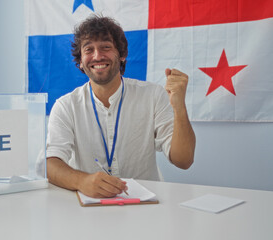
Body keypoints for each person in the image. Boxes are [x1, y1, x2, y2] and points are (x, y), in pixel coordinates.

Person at [46, 15, 196, 198]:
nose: (97, 56)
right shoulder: (65, 106)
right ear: (80, 61)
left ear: (122, 55)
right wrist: (82, 181)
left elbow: (184, 160)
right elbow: (51, 164)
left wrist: (179, 107)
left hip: (146, 207)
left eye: (106, 47)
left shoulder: (153, 95)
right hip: (90, 208)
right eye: (88, 49)